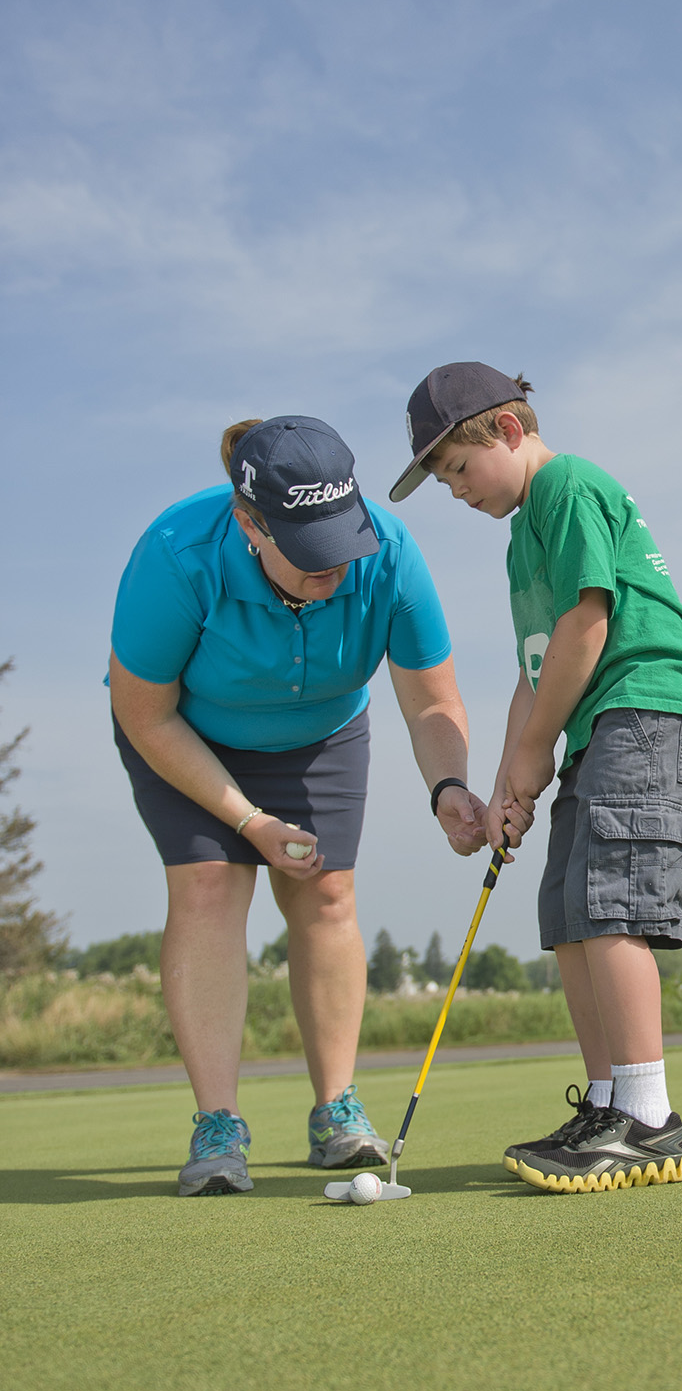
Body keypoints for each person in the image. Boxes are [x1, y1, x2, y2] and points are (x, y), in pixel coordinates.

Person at [110, 415, 491, 1197]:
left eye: (342, 544)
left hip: (323, 732)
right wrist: (247, 820)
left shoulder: (390, 552)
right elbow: (144, 713)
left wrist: (447, 785)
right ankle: (218, 1122)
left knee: (327, 891)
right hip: (187, 734)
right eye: (311, 556)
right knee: (211, 885)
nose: (336, 571)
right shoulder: (177, 555)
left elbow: (430, 701)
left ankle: (336, 1109)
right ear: (251, 524)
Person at [390, 361, 682, 1192]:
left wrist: (537, 753)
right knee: (571, 914)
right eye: (442, 482)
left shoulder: (570, 485)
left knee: (611, 903)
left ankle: (650, 1119)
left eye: (458, 470)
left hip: (650, 702)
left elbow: (587, 621)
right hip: (595, 720)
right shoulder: (519, 541)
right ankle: (609, 1103)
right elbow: (534, 670)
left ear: (507, 430)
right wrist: (509, 784)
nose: (456, 492)